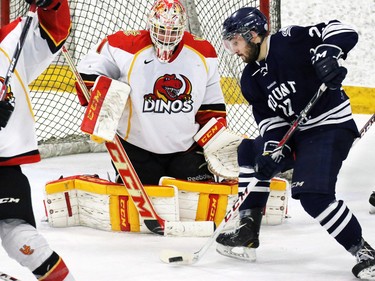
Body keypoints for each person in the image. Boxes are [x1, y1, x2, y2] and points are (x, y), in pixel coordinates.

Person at [215, 7, 375, 280]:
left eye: (236, 42)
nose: (233, 50)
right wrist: (273, 150)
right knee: (249, 151)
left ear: (252, 35)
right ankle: (247, 230)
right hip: (298, 133)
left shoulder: (290, 40)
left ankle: (365, 252)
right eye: (229, 44)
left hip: (330, 127)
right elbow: (269, 122)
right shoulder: (250, 79)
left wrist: (329, 53)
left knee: (312, 195)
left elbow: (342, 30)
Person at [75, 0, 226, 185]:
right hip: (136, 147)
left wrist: (216, 141)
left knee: (195, 203)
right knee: (144, 208)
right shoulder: (123, 46)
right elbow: (87, 74)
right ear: (150, 24)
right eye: (162, 30)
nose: (167, 37)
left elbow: (212, 106)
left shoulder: (204, 53)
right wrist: (101, 106)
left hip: (185, 148)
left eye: (173, 31)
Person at [0, 0, 75, 280]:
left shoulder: (11, 41)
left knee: (16, 229)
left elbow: (52, 31)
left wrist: (52, 3)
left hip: (5, 166)